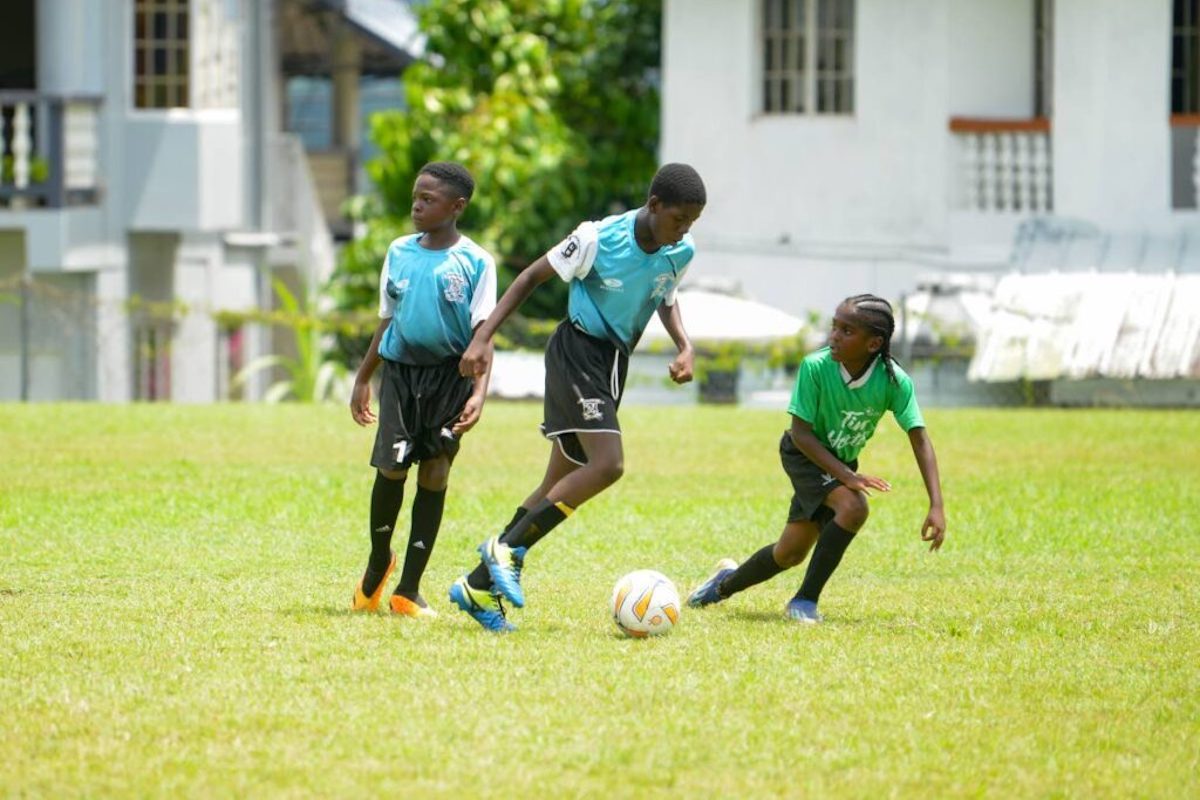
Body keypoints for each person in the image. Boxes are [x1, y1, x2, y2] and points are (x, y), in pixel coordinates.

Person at [448, 162, 707, 632]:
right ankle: (506, 550)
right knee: (608, 465)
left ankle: (476, 585)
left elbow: (664, 296)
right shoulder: (597, 238)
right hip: (578, 352)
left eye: (691, 222)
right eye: (677, 219)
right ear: (653, 206)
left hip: (611, 365)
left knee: (559, 480)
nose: (684, 230)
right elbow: (529, 278)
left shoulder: (680, 250)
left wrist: (684, 344)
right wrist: (483, 337)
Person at [687, 294, 945, 623]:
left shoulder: (895, 381)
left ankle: (723, 585)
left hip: (837, 463)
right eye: (834, 327)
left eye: (847, 331)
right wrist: (848, 478)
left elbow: (919, 438)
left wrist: (936, 504)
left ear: (873, 343)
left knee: (790, 552)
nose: (834, 336)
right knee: (854, 507)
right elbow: (801, 434)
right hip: (803, 453)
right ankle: (804, 601)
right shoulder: (815, 367)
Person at [349, 161, 497, 618]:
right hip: (401, 375)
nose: (416, 204)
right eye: (416, 195)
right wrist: (363, 377)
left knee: (435, 472)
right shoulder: (398, 252)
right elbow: (387, 319)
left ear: (457, 207)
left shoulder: (475, 262)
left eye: (428, 199)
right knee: (391, 469)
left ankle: (408, 589)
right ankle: (378, 564)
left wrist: (477, 394)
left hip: (449, 381)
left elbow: (482, 338)